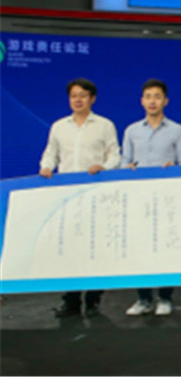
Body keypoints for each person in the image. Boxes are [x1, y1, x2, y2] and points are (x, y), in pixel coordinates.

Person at [39, 78, 121, 318]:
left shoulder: (104, 125)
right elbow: (51, 153)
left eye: (83, 95)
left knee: (96, 248)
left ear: (92, 99)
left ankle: (94, 300)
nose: (78, 100)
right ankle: (71, 301)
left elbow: (115, 155)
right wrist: (46, 167)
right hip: (66, 197)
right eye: (74, 95)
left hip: (95, 195)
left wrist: (104, 167)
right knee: (70, 250)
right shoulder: (59, 126)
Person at [122, 79, 181, 317]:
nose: (153, 101)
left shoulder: (177, 130)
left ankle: (165, 297)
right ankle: (143, 298)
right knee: (140, 248)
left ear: (165, 101)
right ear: (142, 101)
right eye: (148, 96)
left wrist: (175, 168)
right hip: (139, 197)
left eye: (157, 96)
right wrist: (128, 168)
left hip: (166, 198)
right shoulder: (131, 131)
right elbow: (123, 162)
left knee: (165, 248)